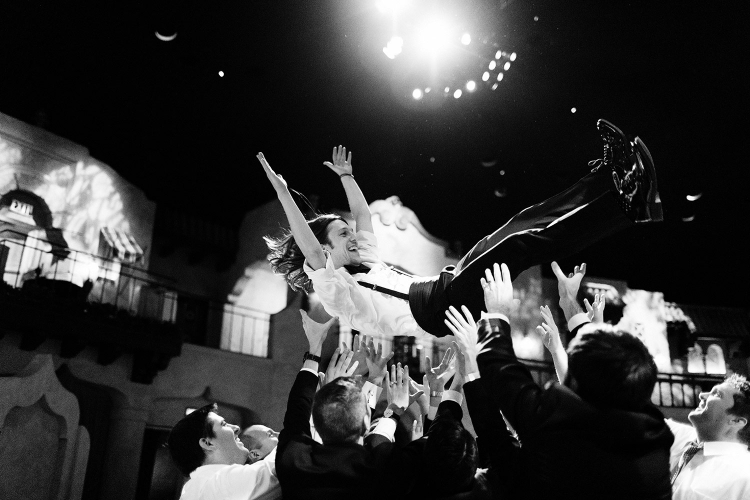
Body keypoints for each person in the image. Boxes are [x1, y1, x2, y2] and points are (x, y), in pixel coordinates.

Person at [259, 119, 661, 338]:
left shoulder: (367, 262)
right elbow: (311, 248)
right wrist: (282, 192)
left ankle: (608, 177)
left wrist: (347, 178)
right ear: (327, 250)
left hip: (443, 286)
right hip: (436, 310)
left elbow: (363, 216)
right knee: (522, 245)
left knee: (518, 224)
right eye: (341, 234)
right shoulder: (336, 291)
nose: (352, 234)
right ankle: (626, 207)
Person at [450, 262, 673, 499]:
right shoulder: (655, 436)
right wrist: (569, 303)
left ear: (576, 384)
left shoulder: (555, 430)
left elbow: (500, 370)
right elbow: (604, 366)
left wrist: (497, 313)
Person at [275, 310, 419, 500]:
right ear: (366, 422)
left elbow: (297, 411)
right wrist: (378, 388)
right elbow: (298, 409)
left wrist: (393, 412)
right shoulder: (380, 471)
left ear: (317, 421)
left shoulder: (295, 461)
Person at [167, 404, 281, 500]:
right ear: (208, 443)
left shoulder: (195, 489)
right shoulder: (217, 484)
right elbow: (275, 470)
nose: (236, 428)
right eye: (224, 424)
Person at [668, 374, 750, 499]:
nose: (702, 395)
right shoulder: (679, 436)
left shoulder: (745, 475)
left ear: (736, 421)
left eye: (717, 394)